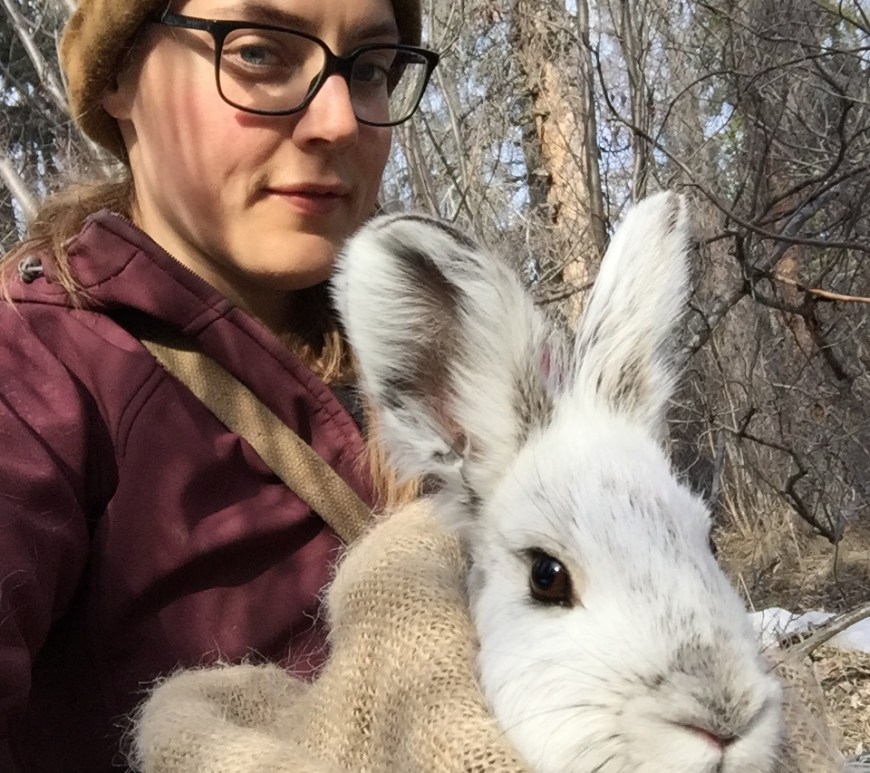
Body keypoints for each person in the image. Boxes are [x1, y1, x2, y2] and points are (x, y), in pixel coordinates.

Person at [0, 0, 438, 770]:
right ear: (121, 76)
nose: (337, 120)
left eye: (368, 69)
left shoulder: (439, 359)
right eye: (261, 55)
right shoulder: (37, 370)